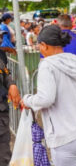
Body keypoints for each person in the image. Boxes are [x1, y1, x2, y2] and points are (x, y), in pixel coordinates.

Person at [20, 25, 76, 166]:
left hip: (67, 136)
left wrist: (27, 100)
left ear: (44, 45)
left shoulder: (47, 65)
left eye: (39, 46)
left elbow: (45, 99)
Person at [0, 30, 20, 165]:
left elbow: (5, 72)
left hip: (1, 111)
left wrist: (12, 84)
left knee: (3, 153)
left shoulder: (0, 54)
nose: (0, 39)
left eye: (1, 36)